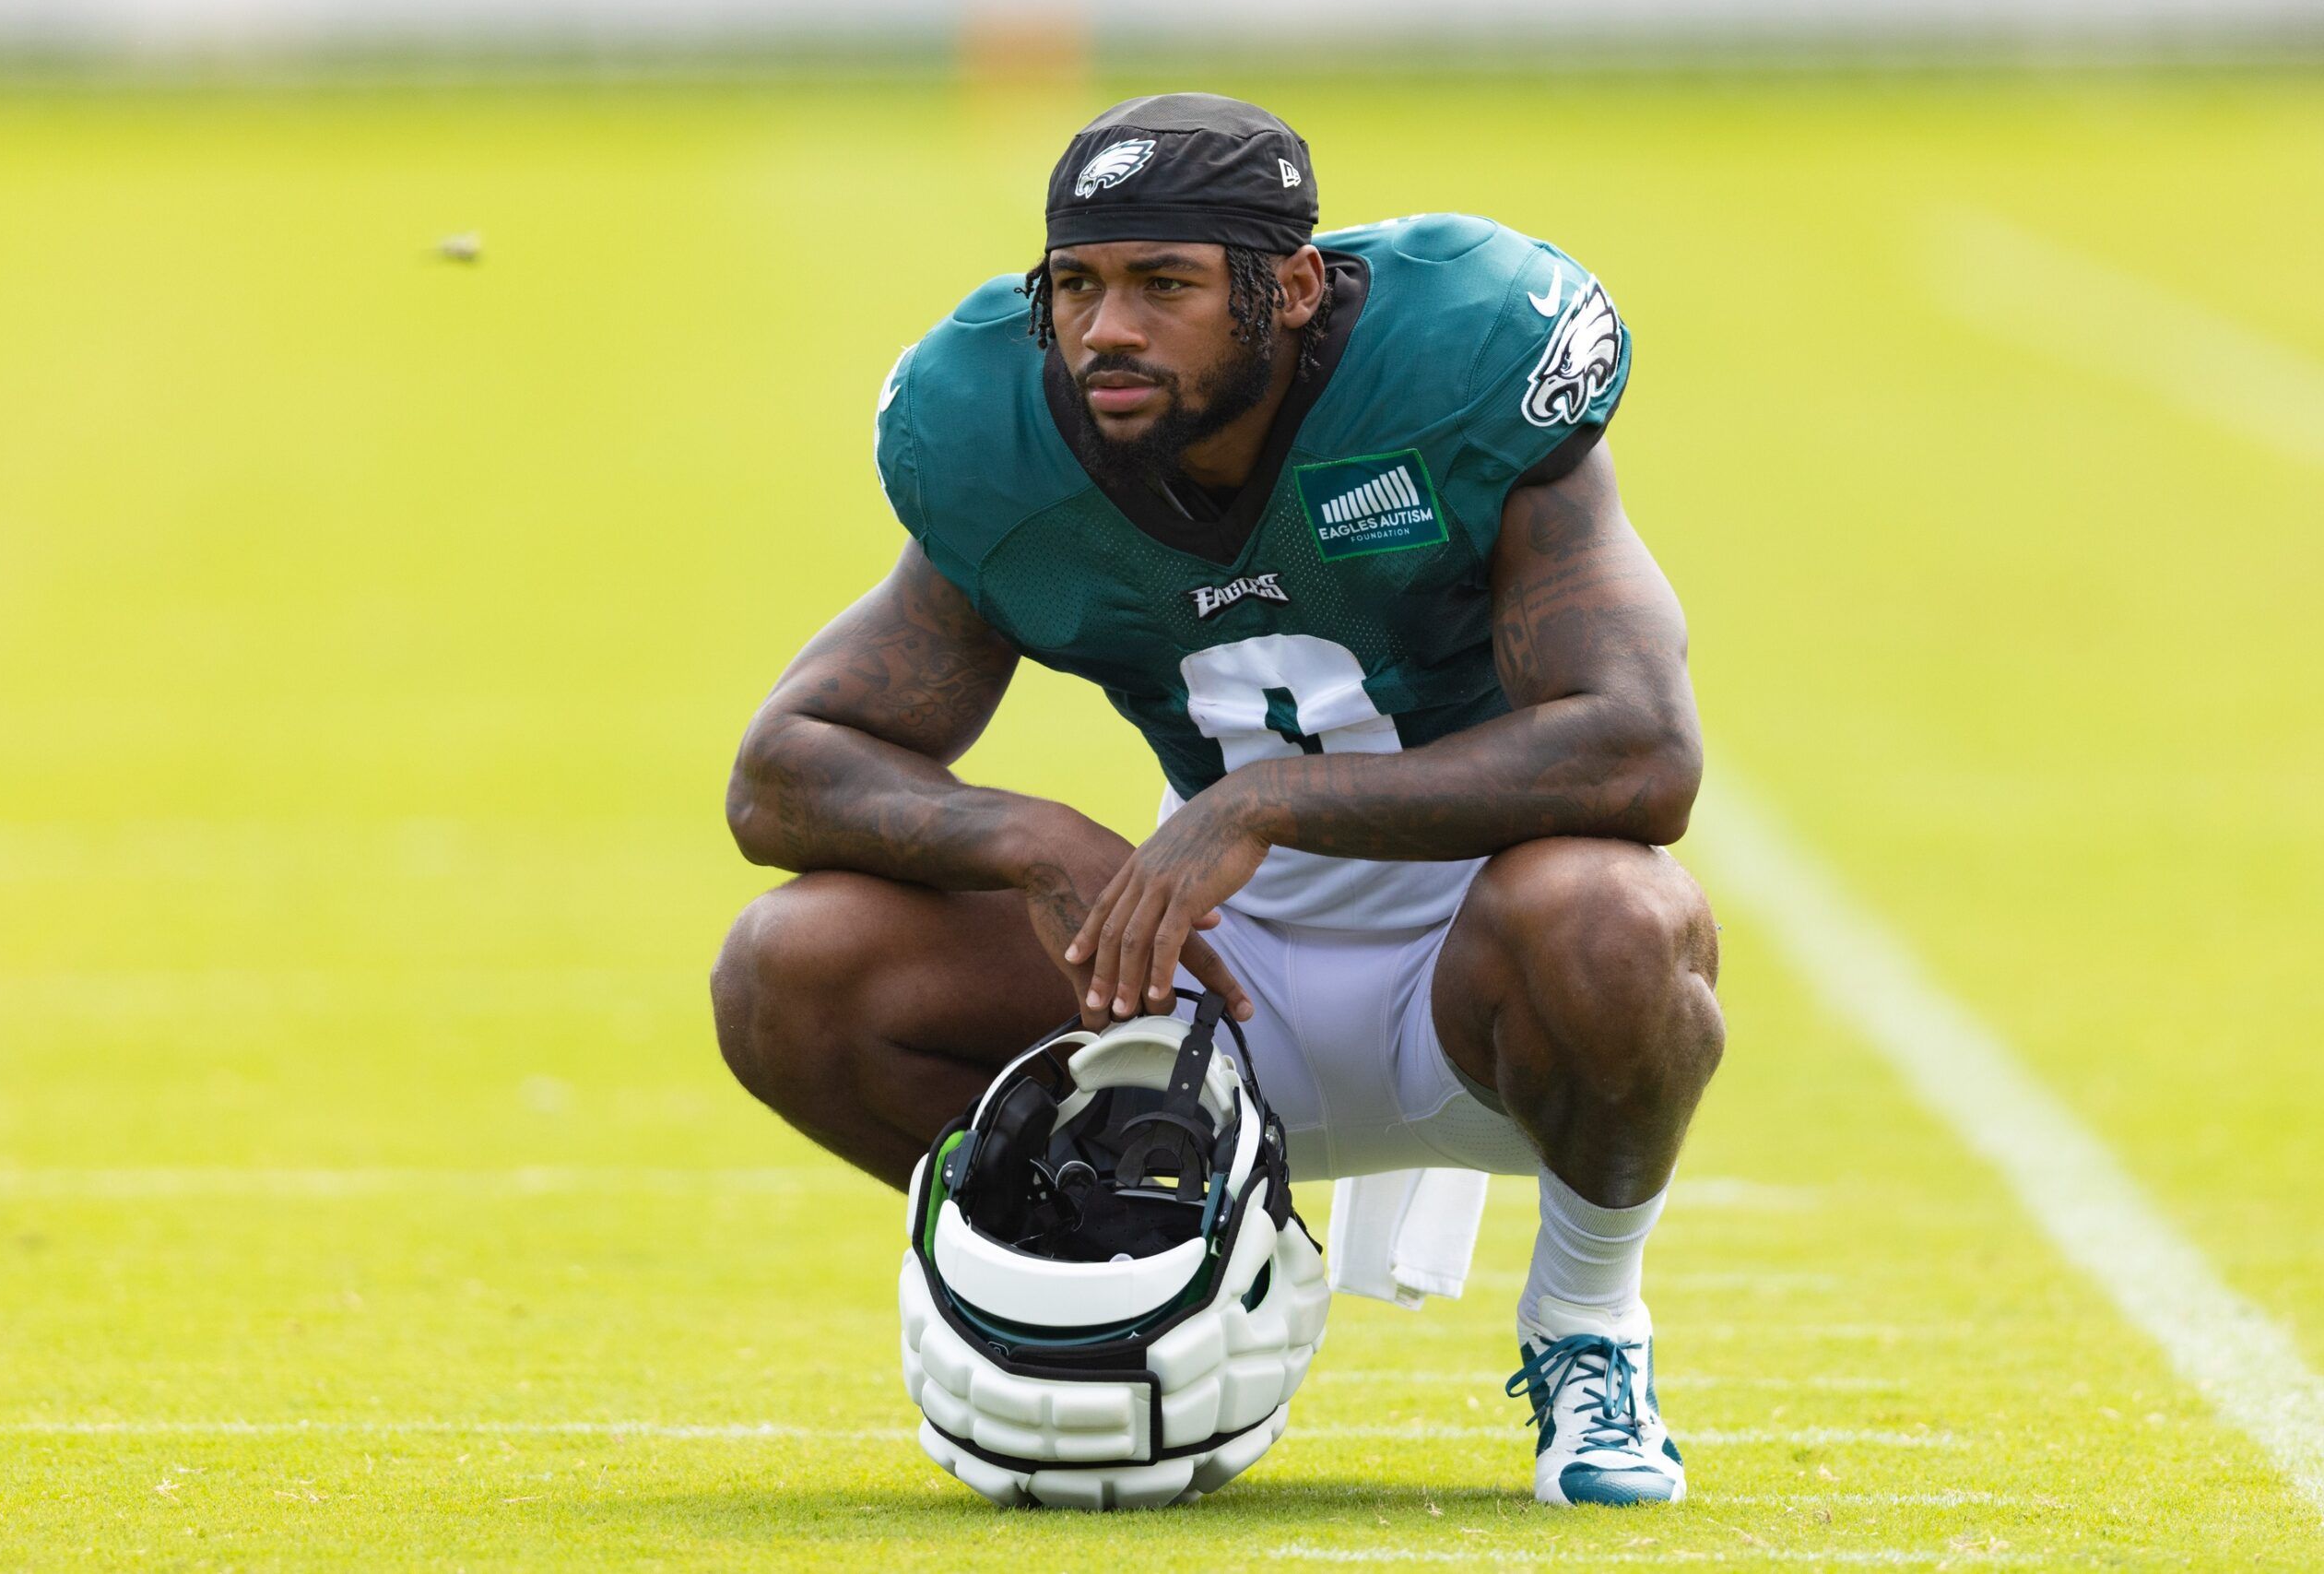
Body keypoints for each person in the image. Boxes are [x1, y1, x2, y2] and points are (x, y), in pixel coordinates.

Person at [712, 92, 1724, 1508]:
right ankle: (1165, 1275)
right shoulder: (1012, 441)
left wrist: (1269, 806)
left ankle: (1589, 1325)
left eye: (1162, 286)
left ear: (1295, 289)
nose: (1104, 330)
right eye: (1075, 285)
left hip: (1483, 973)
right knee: (791, 969)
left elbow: (1638, 755)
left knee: (1617, 914)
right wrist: (1033, 836)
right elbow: (786, 768)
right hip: (1195, 987)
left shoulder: (1455, 367)